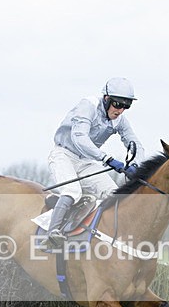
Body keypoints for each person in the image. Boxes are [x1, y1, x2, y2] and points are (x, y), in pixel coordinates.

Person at [42, 77, 145, 248]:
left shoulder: (120, 120)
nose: (120, 110)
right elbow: (79, 138)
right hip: (64, 154)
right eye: (118, 104)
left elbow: (136, 144)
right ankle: (52, 233)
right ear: (106, 99)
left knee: (113, 194)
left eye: (126, 106)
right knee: (72, 190)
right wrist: (107, 159)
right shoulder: (88, 106)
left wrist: (135, 164)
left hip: (86, 161)